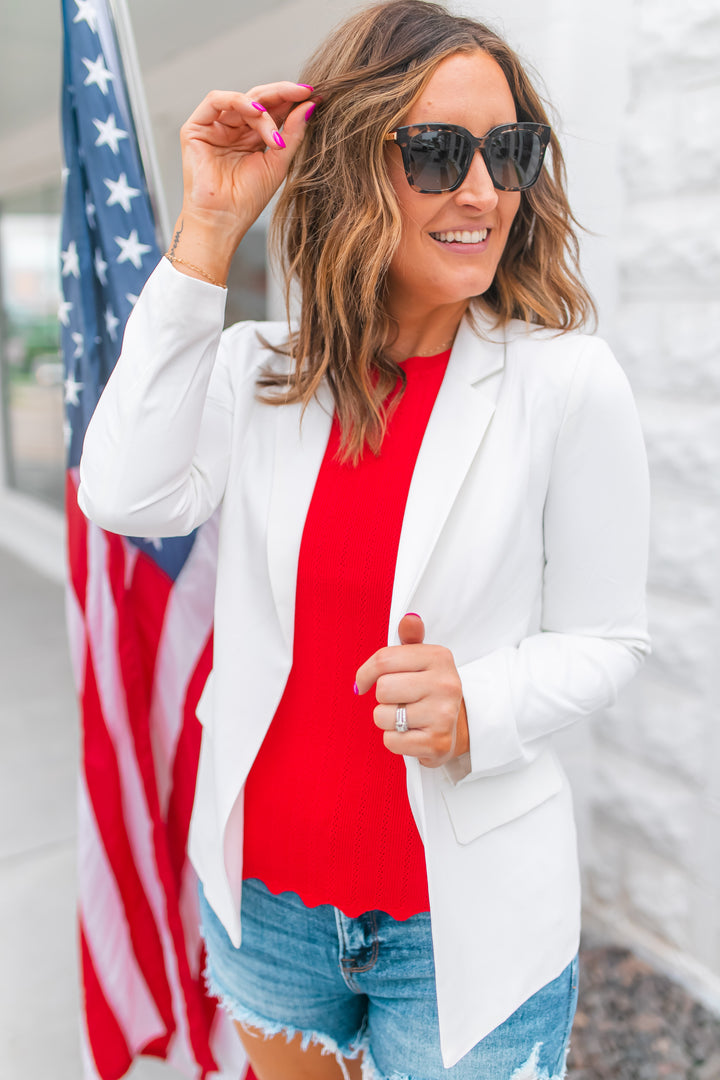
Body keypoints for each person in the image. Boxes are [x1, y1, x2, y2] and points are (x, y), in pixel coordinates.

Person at [78, 1, 650, 1077]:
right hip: (267, 905)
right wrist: (207, 235)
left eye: (508, 151)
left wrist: (477, 701)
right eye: (435, 152)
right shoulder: (259, 372)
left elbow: (610, 639)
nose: (481, 191)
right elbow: (122, 493)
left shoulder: (568, 383)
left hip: (462, 922)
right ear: (351, 164)